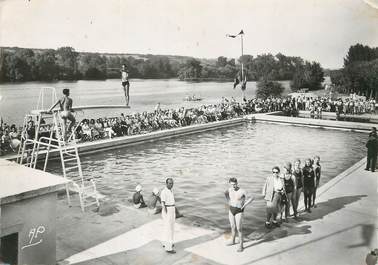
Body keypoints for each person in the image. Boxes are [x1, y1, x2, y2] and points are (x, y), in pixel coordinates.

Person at [225, 177, 254, 252]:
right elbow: (226, 194)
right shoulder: (229, 190)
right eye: (231, 185)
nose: (233, 186)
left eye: (234, 184)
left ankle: (241, 245)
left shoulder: (242, 191)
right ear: (229, 184)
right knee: (232, 226)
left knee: (239, 228)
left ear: (237, 183)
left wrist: (244, 205)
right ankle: (233, 240)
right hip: (231, 210)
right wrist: (229, 202)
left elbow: (252, 197)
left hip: (239, 211)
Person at [161, 178, 176, 253]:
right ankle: (168, 248)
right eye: (170, 183)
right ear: (166, 183)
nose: (171, 184)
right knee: (169, 229)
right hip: (168, 210)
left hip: (172, 209)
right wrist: (166, 214)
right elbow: (163, 204)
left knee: (169, 228)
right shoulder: (164, 192)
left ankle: (165, 243)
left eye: (172, 183)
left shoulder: (171, 190)